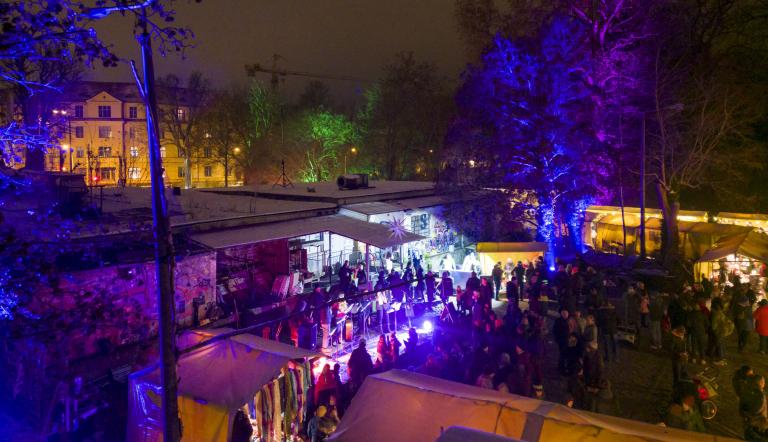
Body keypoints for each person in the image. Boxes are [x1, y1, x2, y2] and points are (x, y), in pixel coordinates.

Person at [710, 297, 732, 365]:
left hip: (719, 331)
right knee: (721, 344)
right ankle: (722, 358)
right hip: (723, 330)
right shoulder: (721, 311)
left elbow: (713, 326)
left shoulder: (715, 314)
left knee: (719, 345)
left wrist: (713, 330)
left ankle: (721, 359)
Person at [553, 308, 570, 373]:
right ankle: (561, 367)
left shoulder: (569, 320)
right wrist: (557, 339)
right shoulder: (558, 321)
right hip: (562, 340)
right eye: (564, 314)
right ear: (561, 314)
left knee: (567, 354)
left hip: (568, 340)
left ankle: (566, 366)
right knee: (562, 354)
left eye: (566, 313)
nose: (566, 315)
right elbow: (555, 331)